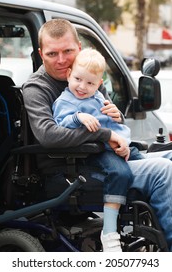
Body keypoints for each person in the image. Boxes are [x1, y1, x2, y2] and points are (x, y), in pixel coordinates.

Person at [23, 18, 172, 252]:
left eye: (68, 51)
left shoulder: (88, 77)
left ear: (79, 48)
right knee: (163, 172)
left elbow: (108, 120)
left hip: (107, 155)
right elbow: (49, 135)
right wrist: (104, 135)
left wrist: (117, 117)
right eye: (52, 54)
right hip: (73, 171)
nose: (61, 60)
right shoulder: (37, 88)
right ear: (41, 54)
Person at [52, 47, 145, 251]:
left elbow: (112, 121)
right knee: (120, 173)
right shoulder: (66, 101)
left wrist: (120, 133)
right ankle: (109, 231)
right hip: (96, 150)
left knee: (147, 165)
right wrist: (79, 117)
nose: (82, 87)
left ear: (99, 85)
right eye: (77, 79)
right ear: (69, 75)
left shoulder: (97, 98)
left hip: (115, 144)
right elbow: (60, 123)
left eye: (90, 83)